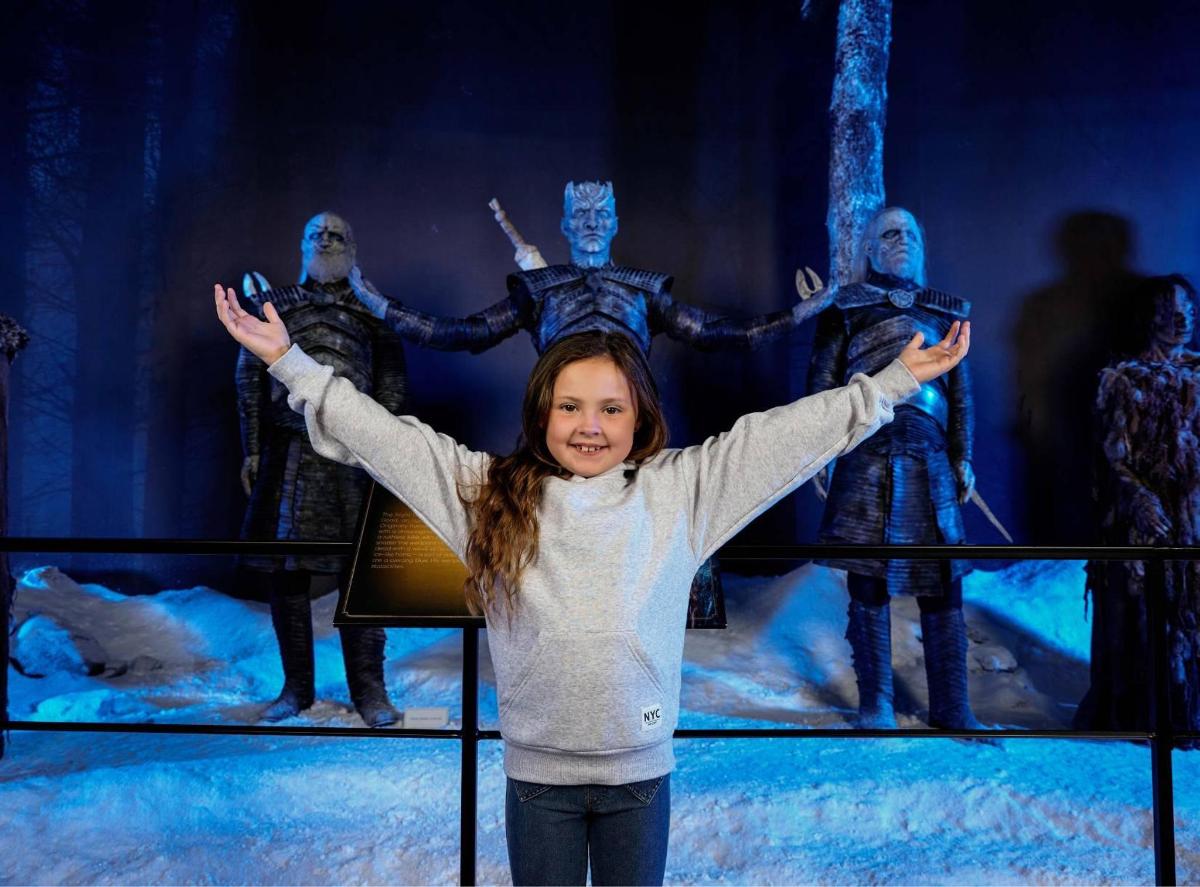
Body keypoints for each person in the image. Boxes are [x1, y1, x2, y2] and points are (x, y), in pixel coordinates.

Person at [214, 282, 969, 885]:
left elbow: (785, 437)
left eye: (611, 407)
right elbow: (382, 437)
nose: (588, 424)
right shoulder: (485, 493)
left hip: (638, 778)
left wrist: (892, 382)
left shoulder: (682, 492)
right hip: (537, 780)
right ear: (541, 409)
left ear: (638, 414)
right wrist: (292, 364)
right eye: (569, 405)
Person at [347, 180, 833, 623]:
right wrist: (383, 307)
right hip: (555, 442)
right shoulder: (542, 289)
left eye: (601, 214)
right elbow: (465, 332)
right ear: (564, 225)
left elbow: (718, 333)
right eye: (581, 216)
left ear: (616, 222)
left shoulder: (642, 290)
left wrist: (800, 313)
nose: (592, 223)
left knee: (648, 544)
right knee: (549, 557)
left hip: (632, 443)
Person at [807, 206, 981, 730]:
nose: (899, 240)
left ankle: (953, 707)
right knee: (867, 579)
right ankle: (875, 706)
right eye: (888, 232)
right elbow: (823, 387)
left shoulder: (945, 311)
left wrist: (961, 455)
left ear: (921, 244)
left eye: (909, 232)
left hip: (931, 458)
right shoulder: (847, 308)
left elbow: (960, 394)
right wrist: (821, 452)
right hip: (865, 453)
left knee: (943, 581)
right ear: (870, 248)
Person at [235, 211, 404, 727]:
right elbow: (249, 375)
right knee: (288, 575)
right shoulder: (277, 306)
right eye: (316, 234)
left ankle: (370, 692)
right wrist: (254, 449)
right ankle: (296, 689)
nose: (326, 241)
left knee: (363, 577)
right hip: (290, 456)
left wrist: (390, 449)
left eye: (336, 235)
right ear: (302, 243)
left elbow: (392, 382)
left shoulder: (373, 315)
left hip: (355, 456)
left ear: (352, 245)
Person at [1077, 274, 1200, 733]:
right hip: (1140, 524)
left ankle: (1187, 718)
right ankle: (1143, 716)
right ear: (1149, 316)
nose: (1180, 317)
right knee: (1142, 616)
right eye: (1169, 308)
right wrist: (1137, 499)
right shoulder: (1123, 379)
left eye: (1187, 307)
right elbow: (1110, 458)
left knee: (1188, 620)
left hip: (1193, 525)